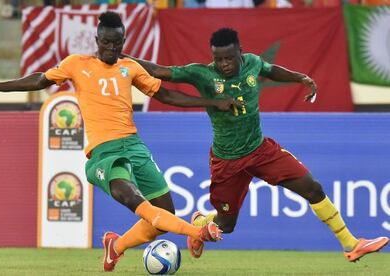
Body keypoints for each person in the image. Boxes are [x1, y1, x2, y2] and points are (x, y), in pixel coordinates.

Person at [0, 13, 249, 272]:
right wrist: (1, 86)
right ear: (97, 41)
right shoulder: (76, 64)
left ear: (123, 42)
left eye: (116, 43)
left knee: (165, 213)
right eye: (105, 42)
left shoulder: (130, 68)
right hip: (105, 153)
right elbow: (40, 79)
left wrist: (213, 102)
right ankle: (197, 231)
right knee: (134, 199)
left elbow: (168, 97)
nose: (110, 48)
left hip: (134, 146)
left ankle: (115, 245)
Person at [125, 27, 389, 262]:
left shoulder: (252, 62)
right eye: (218, 59)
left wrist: (300, 78)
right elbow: (161, 71)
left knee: (313, 188)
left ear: (240, 52)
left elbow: (271, 70)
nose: (224, 64)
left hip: (261, 150)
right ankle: (201, 222)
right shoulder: (203, 74)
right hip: (227, 162)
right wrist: (124, 58)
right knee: (226, 226)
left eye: (229, 58)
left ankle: (351, 244)